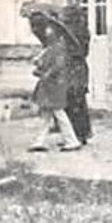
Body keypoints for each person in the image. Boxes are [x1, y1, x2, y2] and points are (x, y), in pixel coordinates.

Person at [28, 11, 81, 152]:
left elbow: (58, 66)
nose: (45, 34)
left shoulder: (58, 47)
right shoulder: (50, 48)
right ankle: (39, 141)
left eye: (48, 32)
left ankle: (72, 141)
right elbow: (48, 62)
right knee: (47, 113)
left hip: (55, 83)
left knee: (58, 112)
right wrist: (39, 63)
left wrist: (44, 72)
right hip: (50, 83)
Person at [62, 3, 92, 144]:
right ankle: (80, 134)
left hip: (73, 68)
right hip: (79, 68)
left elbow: (77, 51)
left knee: (72, 101)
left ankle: (76, 135)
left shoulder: (72, 32)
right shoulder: (83, 30)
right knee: (78, 102)